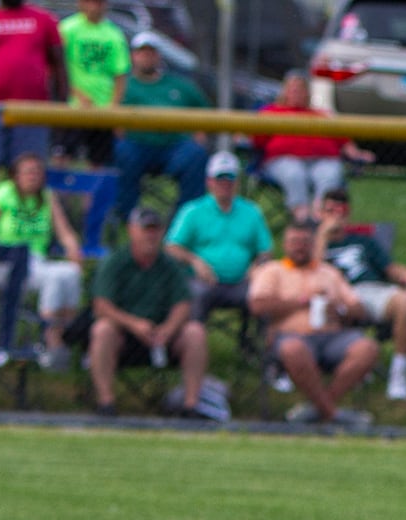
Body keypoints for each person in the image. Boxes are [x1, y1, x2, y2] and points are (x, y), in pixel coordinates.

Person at [246, 218, 378, 426]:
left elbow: (358, 308)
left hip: (332, 336)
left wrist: (339, 309)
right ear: (285, 245)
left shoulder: (328, 272)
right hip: (290, 335)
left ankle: (319, 409)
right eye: (294, 241)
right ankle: (333, 414)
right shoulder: (273, 271)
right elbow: (258, 306)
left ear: (314, 245)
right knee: (293, 349)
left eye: (305, 242)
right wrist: (301, 301)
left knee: (367, 348)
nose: (300, 247)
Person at [85, 206, 209, 418]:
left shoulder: (169, 265)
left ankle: (191, 406)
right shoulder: (115, 262)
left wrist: (168, 330)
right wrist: (133, 324)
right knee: (102, 330)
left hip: (161, 337)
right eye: (145, 229)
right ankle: (106, 403)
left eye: (155, 230)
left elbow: (183, 304)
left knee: (195, 332)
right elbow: (101, 306)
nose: (150, 235)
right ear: (132, 230)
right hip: (124, 335)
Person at [314, 188, 406, 401]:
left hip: (370, 291)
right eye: (329, 211)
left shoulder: (363, 241)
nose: (335, 216)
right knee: (320, 305)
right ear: (319, 213)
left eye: (341, 211)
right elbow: (311, 274)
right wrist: (323, 237)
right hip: (331, 295)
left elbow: (390, 268)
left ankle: (398, 375)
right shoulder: (311, 242)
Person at [0, 152, 82, 369]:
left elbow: (65, 232)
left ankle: (59, 337)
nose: (33, 176)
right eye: (28, 172)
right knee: (53, 279)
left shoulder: (46, 196)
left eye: (37, 172)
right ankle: (48, 340)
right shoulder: (4, 193)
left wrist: (73, 248)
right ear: (15, 175)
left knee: (71, 272)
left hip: (35, 261)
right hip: (4, 262)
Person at [163, 151, 274, 324]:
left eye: (230, 178)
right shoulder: (193, 211)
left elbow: (266, 251)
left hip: (242, 282)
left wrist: (255, 267)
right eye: (220, 178)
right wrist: (195, 262)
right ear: (209, 181)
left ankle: (262, 348)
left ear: (237, 182)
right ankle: (194, 345)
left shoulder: (251, 211)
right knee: (195, 294)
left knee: (265, 294)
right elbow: (171, 247)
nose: (225, 183)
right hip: (204, 282)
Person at [254, 71, 376, 223]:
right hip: (284, 160)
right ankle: (302, 218)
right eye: (292, 89)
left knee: (330, 173)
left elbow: (343, 141)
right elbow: (254, 140)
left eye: (300, 89)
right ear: (285, 92)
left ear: (308, 93)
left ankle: (320, 216)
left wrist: (356, 154)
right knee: (294, 173)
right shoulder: (271, 112)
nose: (296, 93)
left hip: (323, 160)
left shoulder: (320, 114)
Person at [113, 32, 210, 223]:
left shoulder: (179, 85)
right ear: (133, 56)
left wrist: (200, 133)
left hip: (174, 146)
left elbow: (206, 111)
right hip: (137, 145)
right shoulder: (124, 86)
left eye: (151, 52)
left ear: (159, 56)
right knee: (122, 152)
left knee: (196, 154)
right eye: (142, 52)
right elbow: (111, 112)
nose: (147, 57)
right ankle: (130, 221)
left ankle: (185, 222)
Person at [0, 0, 61, 184]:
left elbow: (59, 63)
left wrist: (62, 104)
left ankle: (21, 212)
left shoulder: (43, 18)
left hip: (31, 110)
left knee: (26, 171)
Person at [57, 0, 128, 167]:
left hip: (102, 109)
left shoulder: (113, 34)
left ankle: (92, 194)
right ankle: (58, 194)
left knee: (97, 162)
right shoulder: (67, 29)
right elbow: (58, 69)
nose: (95, 6)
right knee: (62, 158)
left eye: (100, 2)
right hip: (73, 107)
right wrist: (76, 93)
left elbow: (120, 74)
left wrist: (114, 106)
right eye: (91, 2)